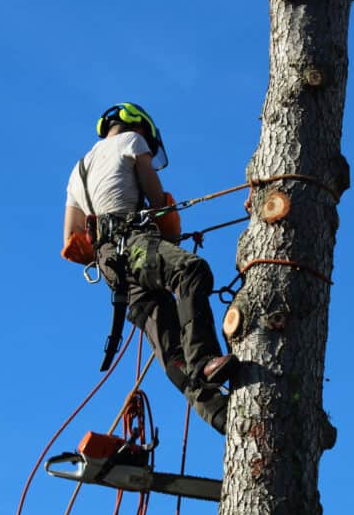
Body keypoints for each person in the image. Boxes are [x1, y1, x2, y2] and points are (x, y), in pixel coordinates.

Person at [62, 102, 237, 434]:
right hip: (135, 243)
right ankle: (205, 359)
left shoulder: (78, 170)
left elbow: (72, 238)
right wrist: (162, 223)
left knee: (170, 347)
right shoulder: (132, 141)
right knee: (190, 270)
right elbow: (157, 204)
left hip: (113, 270)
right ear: (140, 127)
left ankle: (221, 414)